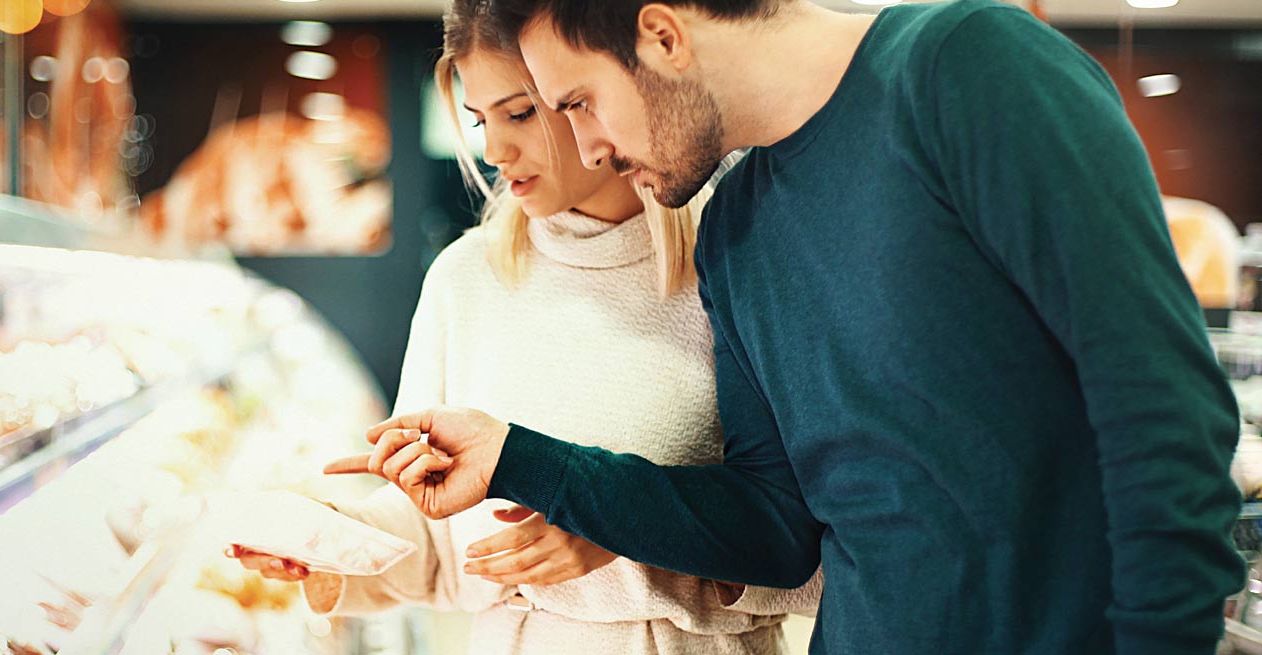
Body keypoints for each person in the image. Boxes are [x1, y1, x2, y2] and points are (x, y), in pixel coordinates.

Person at [342, 1, 1244, 653]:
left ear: (661, 35)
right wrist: (517, 456)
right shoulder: (736, 228)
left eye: (576, 101)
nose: (587, 148)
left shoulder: (966, 68)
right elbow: (773, 526)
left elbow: (1165, 421)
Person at [234, 1, 819, 653]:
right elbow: (444, 548)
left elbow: (812, 549)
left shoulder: (741, 261)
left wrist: (624, 528)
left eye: (518, 112)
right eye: (479, 119)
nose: (491, 149)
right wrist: (328, 542)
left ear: (594, 92)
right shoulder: (464, 278)